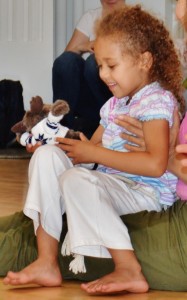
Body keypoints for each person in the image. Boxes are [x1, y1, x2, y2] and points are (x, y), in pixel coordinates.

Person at [3, 5, 186, 295]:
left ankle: (129, 268)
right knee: (46, 157)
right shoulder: (115, 103)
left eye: (111, 66)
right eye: (100, 65)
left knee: (76, 180)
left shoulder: (157, 102)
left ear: (144, 61)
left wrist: (94, 156)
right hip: (111, 183)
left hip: (143, 191)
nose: (102, 74)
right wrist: (58, 143)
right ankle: (46, 260)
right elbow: (92, 147)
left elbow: (155, 164)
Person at [52, 0, 125, 138]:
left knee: (94, 63)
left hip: (117, 98)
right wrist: (84, 46)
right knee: (67, 61)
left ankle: (107, 124)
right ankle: (61, 129)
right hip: (89, 101)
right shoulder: (90, 17)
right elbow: (65, 59)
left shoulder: (134, 19)